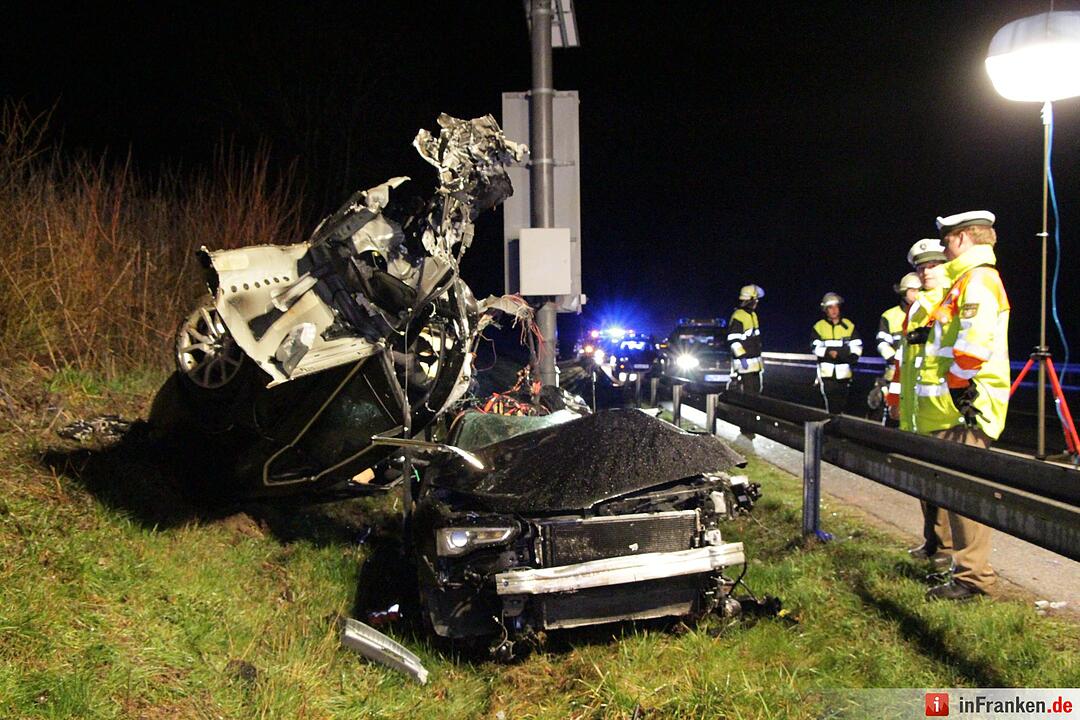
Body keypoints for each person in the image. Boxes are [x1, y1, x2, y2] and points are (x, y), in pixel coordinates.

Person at [909, 211, 1010, 601]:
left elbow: (973, 345)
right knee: (956, 496)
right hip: (953, 409)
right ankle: (965, 573)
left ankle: (974, 579)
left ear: (965, 237)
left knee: (966, 498)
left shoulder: (980, 280)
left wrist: (957, 389)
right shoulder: (965, 280)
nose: (945, 246)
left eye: (948, 240)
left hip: (967, 409)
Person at [891, 239, 952, 569]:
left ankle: (947, 546)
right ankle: (932, 540)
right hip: (918, 408)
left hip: (943, 407)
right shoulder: (918, 307)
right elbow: (907, 361)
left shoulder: (950, 298)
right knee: (924, 484)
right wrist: (896, 399)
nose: (927, 272)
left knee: (943, 484)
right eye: (921, 267)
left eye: (933, 265)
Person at [870, 272, 921, 423]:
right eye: (913, 290)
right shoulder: (890, 315)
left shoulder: (926, 313)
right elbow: (882, 342)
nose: (916, 294)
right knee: (893, 413)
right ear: (903, 292)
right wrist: (894, 359)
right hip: (894, 375)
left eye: (919, 290)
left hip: (918, 374)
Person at [812, 293, 861, 414]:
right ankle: (832, 428)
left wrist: (852, 356)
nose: (834, 310)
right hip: (827, 374)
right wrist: (828, 353)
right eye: (830, 307)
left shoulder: (849, 325)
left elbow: (857, 345)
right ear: (825, 310)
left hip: (844, 374)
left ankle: (839, 428)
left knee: (842, 405)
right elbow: (814, 347)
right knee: (832, 406)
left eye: (836, 307)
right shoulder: (819, 327)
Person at [728, 284, 765, 394]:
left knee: (756, 391)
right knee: (748, 394)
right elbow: (734, 341)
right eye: (756, 299)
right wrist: (742, 358)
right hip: (745, 366)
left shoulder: (753, 315)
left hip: (755, 365)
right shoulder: (738, 315)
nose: (757, 302)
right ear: (750, 300)